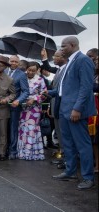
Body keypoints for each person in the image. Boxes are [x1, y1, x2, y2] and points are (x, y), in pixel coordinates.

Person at [50, 36, 96, 190]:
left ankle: (88, 177)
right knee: (67, 144)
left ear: (72, 45)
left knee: (82, 145)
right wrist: (49, 92)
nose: (61, 48)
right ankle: (70, 172)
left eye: (63, 46)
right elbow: (65, 88)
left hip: (75, 111)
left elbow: (85, 88)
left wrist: (77, 108)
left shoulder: (83, 60)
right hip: (64, 109)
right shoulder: (70, 62)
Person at [41, 49, 67, 168]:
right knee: (60, 133)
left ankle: (67, 160)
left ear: (64, 58)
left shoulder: (67, 70)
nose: (54, 58)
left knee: (64, 134)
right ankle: (62, 156)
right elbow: (48, 67)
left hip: (63, 106)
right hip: (55, 105)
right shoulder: (59, 70)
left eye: (56, 56)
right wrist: (44, 58)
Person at [17, 62, 46, 160]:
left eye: (33, 70)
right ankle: (22, 153)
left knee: (32, 129)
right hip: (23, 107)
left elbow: (44, 94)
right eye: (29, 70)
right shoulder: (22, 78)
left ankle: (32, 153)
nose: (30, 72)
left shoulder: (40, 80)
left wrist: (34, 99)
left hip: (35, 109)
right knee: (22, 128)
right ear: (26, 69)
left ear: (37, 70)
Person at [7, 55, 29, 160]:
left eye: (16, 62)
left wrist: (18, 100)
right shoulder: (4, 71)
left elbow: (26, 91)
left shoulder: (22, 75)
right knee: (3, 129)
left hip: (14, 107)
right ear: (9, 61)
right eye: (12, 61)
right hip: (1, 105)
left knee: (13, 129)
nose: (13, 63)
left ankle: (12, 151)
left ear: (18, 63)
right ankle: (2, 149)